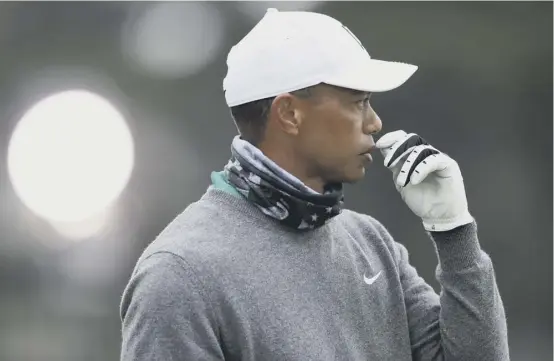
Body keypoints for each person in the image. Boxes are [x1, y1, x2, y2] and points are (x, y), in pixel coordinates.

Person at [120, 8, 509, 361]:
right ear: (289, 114)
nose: (374, 123)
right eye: (358, 102)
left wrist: (454, 230)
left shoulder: (371, 244)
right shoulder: (179, 276)